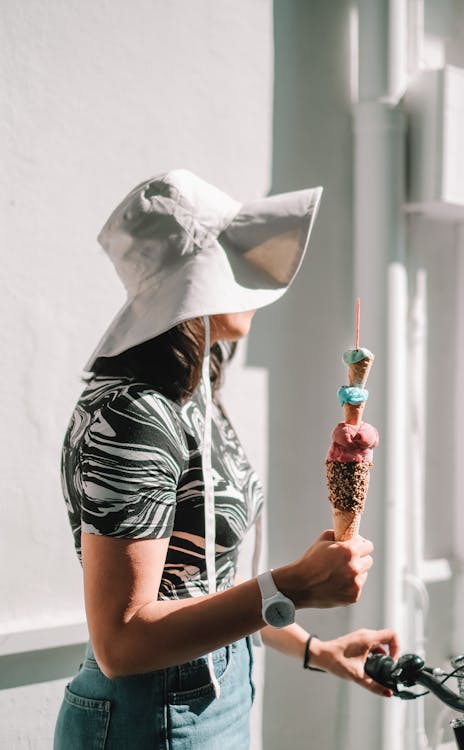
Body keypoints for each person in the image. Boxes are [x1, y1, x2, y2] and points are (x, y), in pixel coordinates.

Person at [53, 169, 399, 750]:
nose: (257, 284)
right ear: (196, 282)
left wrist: (316, 650)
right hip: (149, 721)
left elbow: (204, 591)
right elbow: (122, 644)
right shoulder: (134, 414)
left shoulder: (196, 395)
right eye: (235, 264)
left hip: (219, 698)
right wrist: (292, 584)